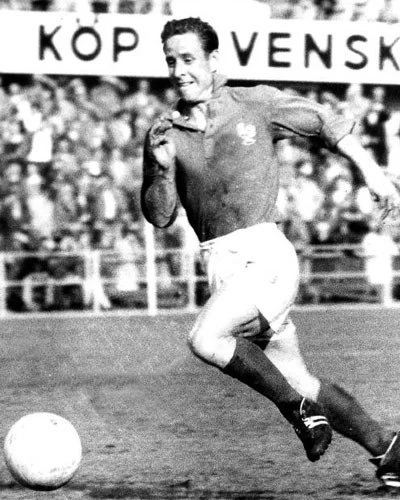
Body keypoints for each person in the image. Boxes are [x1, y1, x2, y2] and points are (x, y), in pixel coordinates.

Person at [141, 17, 400, 486]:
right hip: (222, 268)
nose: (179, 70)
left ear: (213, 60)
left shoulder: (253, 103)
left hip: (265, 257)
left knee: (205, 338)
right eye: (171, 61)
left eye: (188, 59)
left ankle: (297, 412)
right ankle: (387, 446)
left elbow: (323, 121)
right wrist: (160, 171)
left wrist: (373, 173)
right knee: (301, 380)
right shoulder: (165, 131)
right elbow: (160, 215)